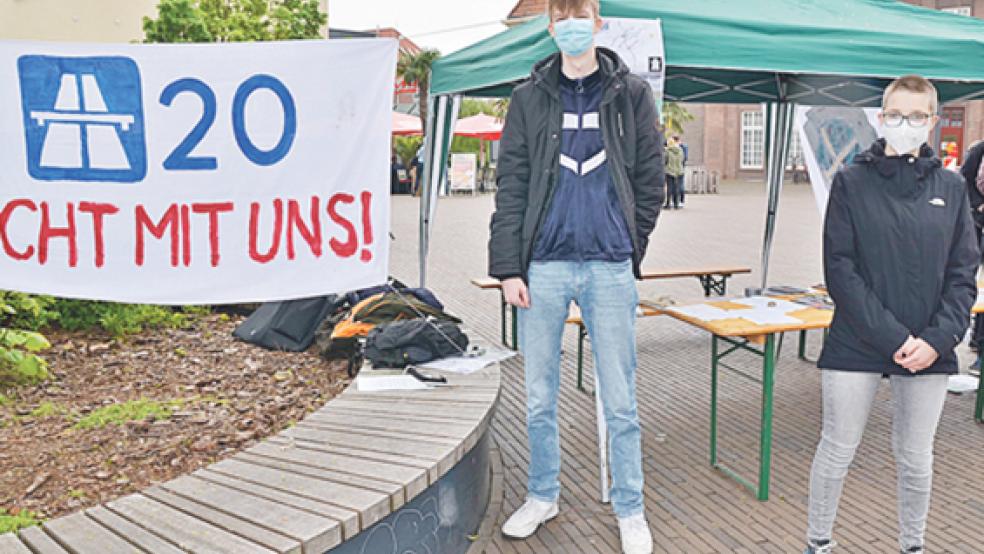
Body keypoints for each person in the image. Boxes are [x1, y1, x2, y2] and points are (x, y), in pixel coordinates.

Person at [486, 0, 663, 551]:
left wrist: (630, 242)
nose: (571, 26)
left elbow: (650, 178)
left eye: (579, 15)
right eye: (561, 17)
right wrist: (508, 267)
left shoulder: (632, 94)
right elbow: (511, 184)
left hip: (609, 265)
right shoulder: (528, 98)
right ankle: (543, 494)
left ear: (598, 22)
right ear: (550, 27)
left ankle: (630, 508)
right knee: (539, 396)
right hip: (544, 265)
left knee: (621, 400)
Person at [804, 75, 979, 554]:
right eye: (897, 115)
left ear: (932, 120)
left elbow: (962, 273)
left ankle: (912, 545)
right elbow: (841, 269)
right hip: (858, 339)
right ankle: (818, 542)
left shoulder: (952, 188)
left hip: (929, 346)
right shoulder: (851, 182)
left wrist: (937, 340)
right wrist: (893, 338)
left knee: (916, 457)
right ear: (881, 118)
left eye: (917, 115)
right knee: (837, 448)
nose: (907, 124)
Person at [960, 139, 984, 376]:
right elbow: (964, 180)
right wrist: (978, 205)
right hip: (978, 225)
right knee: (970, 281)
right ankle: (976, 340)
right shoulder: (979, 150)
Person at [664, 136, 684, 209]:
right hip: (679, 171)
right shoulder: (680, 150)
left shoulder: (667, 151)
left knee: (669, 188)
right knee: (676, 188)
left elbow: (665, 160)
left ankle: (668, 204)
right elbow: (682, 159)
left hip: (669, 171)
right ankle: (676, 204)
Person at [675, 135, 689, 206]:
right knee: (679, 184)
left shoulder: (682, 147)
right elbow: (686, 158)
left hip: (678, 168)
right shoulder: (684, 146)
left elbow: (685, 158)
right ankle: (680, 201)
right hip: (680, 167)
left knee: (679, 184)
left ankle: (680, 201)